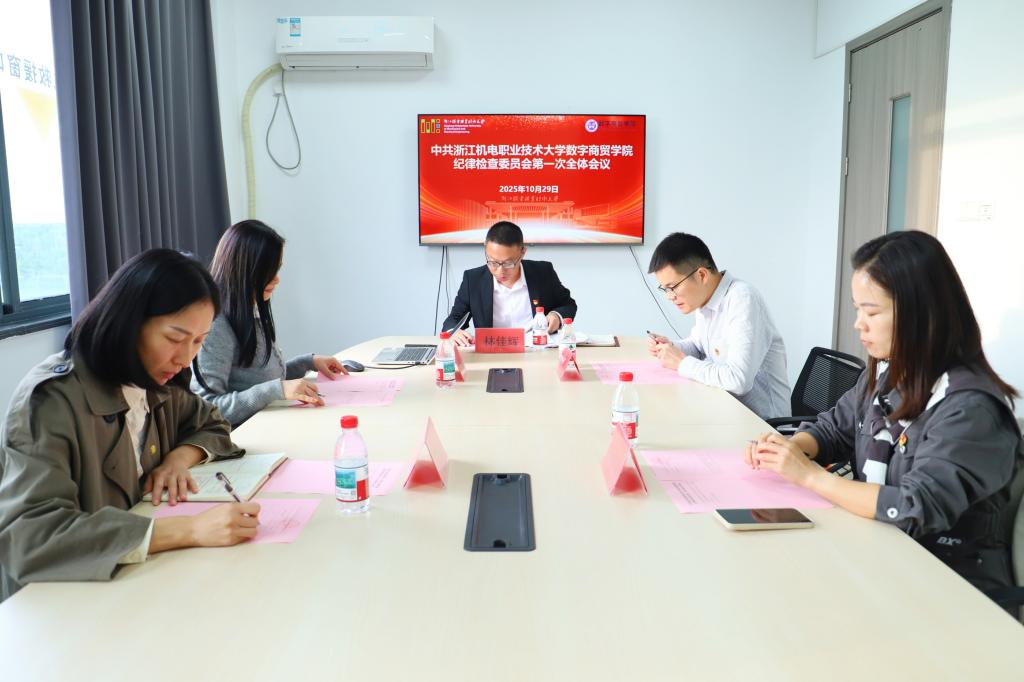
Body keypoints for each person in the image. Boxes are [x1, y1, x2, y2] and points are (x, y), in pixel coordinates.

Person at [749, 231, 1023, 600]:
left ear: (921, 314)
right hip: (878, 561)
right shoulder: (888, 373)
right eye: (857, 309)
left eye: (872, 312)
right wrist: (793, 448)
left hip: (947, 588)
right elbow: (835, 428)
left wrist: (811, 477)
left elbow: (914, 508)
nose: (858, 324)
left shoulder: (970, 408)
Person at [0, 249, 261, 601]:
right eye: (175, 338)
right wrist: (188, 529)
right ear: (129, 323)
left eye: (198, 342)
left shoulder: (155, 382)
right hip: (56, 601)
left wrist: (178, 459)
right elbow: (31, 536)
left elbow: (211, 422)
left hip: (132, 585)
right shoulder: (51, 401)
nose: (185, 359)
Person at [191, 220, 346, 426]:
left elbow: (261, 380)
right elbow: (207, 409)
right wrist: (276, 390)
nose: (276, 279)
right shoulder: (215, 325)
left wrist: (307, 363)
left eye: (277, 269)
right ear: (244, 270)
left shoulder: (248, 312)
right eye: (268, 271)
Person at [647, 232, 790, 419]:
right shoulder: (705, 300)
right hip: (725, 410)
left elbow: (738, 380)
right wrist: (671, 347)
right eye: (665, 289)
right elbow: (698, 346)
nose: (669, 296)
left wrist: (681, 363)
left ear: (701, 275)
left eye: (672, 287)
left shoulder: (742, 299)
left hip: (764, 424)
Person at [441, 221, 577, 346]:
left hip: (535, 350)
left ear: (522, 252)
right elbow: (454, 318)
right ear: (486, 249)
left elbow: (568, 304)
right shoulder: (473, 279)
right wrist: (453, 332)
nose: (500, 271)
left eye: (508, 263)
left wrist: (556, 315)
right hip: (491, 352)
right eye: (493, 262)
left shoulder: (543, 272)